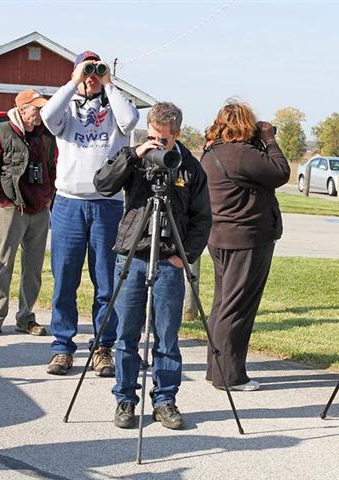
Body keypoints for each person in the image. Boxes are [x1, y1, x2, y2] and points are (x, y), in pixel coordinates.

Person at [93, 102, 211, 430]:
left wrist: (183, 256)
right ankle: (125, 399)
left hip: (169, 260)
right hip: (133, 255)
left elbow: (203, 219)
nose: (159, 144)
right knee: (127, 333)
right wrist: (136, 155)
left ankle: (164, 400)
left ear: (177, 134)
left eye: (165, 140)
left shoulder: (190, 168)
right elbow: (103, 184)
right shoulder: (136, 156)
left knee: (167, 336)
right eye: (153, 136)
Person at [41, 50, 139, 377]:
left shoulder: (114, 109)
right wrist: (73, 82)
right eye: (87, 71)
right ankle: (62, 347)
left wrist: (109, 84)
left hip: (107, 204)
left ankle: (103, 346)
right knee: (65, 277)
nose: (92, 77)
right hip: (69, 202)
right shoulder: (66, 110)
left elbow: (131, 121)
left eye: (96, 71)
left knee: (107, 280)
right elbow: (46, 116)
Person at [201, 100, 290, 391]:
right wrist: (269, 139)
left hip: (219, 237)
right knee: (237, 308)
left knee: (222, 304)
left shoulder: (211, 151)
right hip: (246, 239)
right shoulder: (243, 153)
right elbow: (280, 172)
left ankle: (215, 369)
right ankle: (231, 376)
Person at [0, 89, 56, 338]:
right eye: (37, 109)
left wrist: (48, 197)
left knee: (33, 269)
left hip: (39, 209)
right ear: (22, 110)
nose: (41, 113)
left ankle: (26, 318)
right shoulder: (1, 131)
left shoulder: (46, 136)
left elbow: (52, 167)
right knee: (3, 264)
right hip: (12, 208)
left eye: (43, 109)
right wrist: (2, 199)